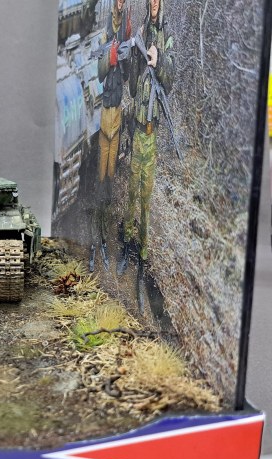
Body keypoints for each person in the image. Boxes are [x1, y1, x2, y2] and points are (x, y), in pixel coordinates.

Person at [117, 0, 174, 312]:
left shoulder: (167, 36)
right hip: (136, 128)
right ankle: (127, 246)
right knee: (130, 193)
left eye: (157, 0)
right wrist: (133, 57)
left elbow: (170, 79)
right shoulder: (140, 29)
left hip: (150, 134)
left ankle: (142, 256)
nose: (153, 3)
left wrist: (158, 59)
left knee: (145, 199)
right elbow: (131, 85)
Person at [89, 0, 132, 272]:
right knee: (100, 179)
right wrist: (110, 57)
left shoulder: (125, 29)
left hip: (117, 114)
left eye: (123, 1)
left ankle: (104, 238)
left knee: (111, 180)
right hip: (105, 113)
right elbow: (100, 72)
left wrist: (127, 54)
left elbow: (126, 78)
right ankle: (96, 240)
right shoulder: (105, 33)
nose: (119, 3)